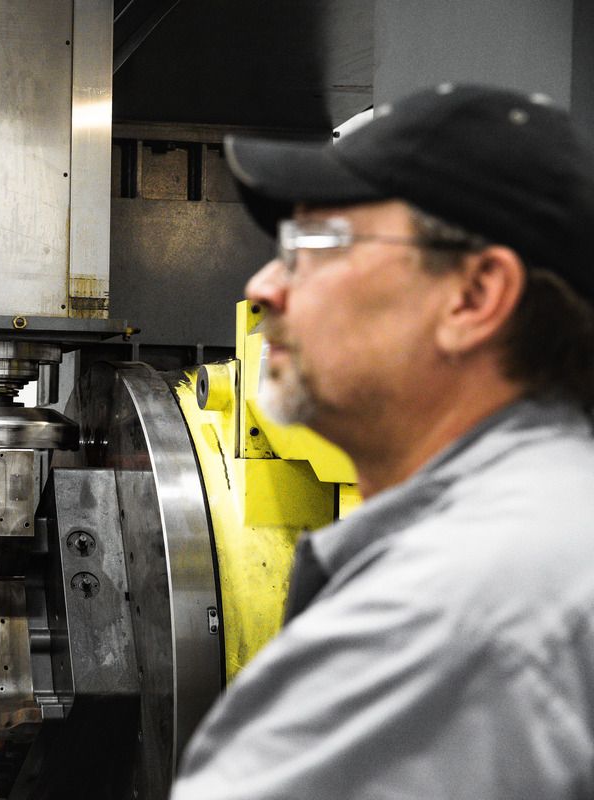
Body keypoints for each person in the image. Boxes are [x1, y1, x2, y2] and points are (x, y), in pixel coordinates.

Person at [171, 83, 594, 799]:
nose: (264, 287)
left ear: (473, 296)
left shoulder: (438, 619)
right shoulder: (560, 518)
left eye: (315, 245)